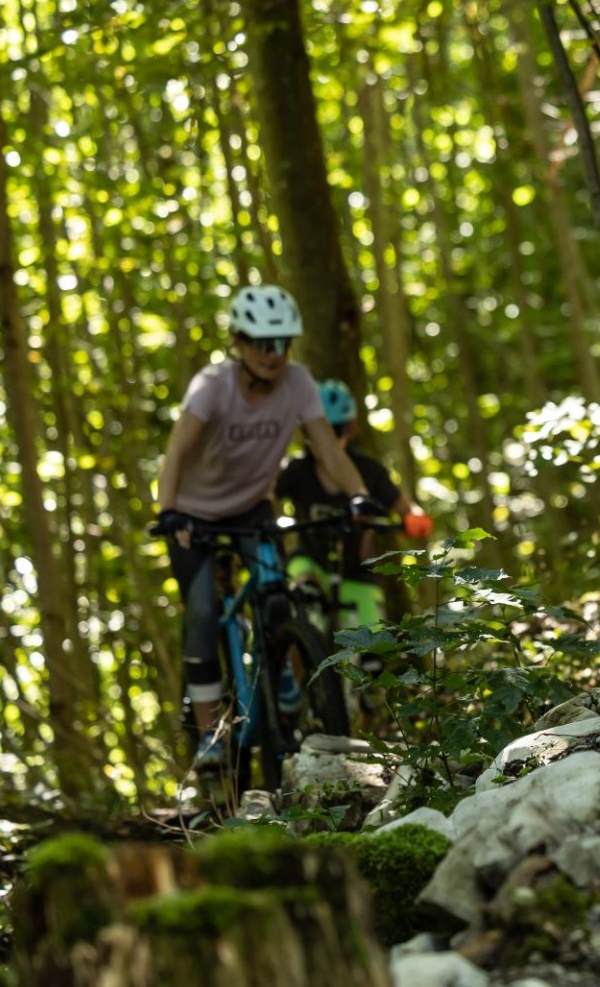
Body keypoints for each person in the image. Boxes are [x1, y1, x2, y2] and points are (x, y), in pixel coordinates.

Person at [153, 284, 374, 770]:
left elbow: (328, 451)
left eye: (283, 344)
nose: (274, 355)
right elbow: (176, 453)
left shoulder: (298, 383)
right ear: (239, 342)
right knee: (204, 612)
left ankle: (286, 674)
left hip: (253, 507)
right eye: (262, 343)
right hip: (194, 514)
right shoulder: (212, 385)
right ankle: (212, 737)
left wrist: (358, 495)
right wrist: (168, 512)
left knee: (278, 595)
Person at [275, 378, 433, 640]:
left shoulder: (369, 471)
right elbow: (268, 494)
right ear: (305, 432)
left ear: (351, 429)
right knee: (302, 607)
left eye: (335, 431)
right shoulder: (296, 471)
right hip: (310, 563)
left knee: (373, 644)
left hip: (359, 574)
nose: (326, 440)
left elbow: (402, 504)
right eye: (317, 432)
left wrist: (414, 517)